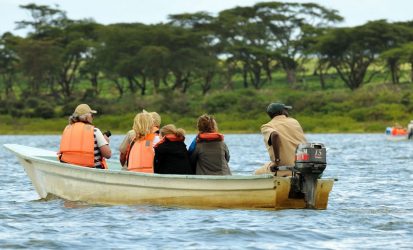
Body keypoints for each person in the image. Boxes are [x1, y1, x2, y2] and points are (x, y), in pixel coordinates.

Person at [255, 102, 306, 176]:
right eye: (286, 110)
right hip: (303, 166)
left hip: (285, 168)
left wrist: (277, 161)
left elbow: (275, 135)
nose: (287, 112)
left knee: (257, 173)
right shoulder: (295, 122)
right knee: (267, 165)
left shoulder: (267, 126)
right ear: (282, 112)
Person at [58, 104, 111, 169]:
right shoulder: (95, 131)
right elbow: (108, 155)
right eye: (92, 115)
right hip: (92, 169)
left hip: (68, 167)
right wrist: (106, 142)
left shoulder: (67, 129)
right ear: (87, 117)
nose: (92, 117)